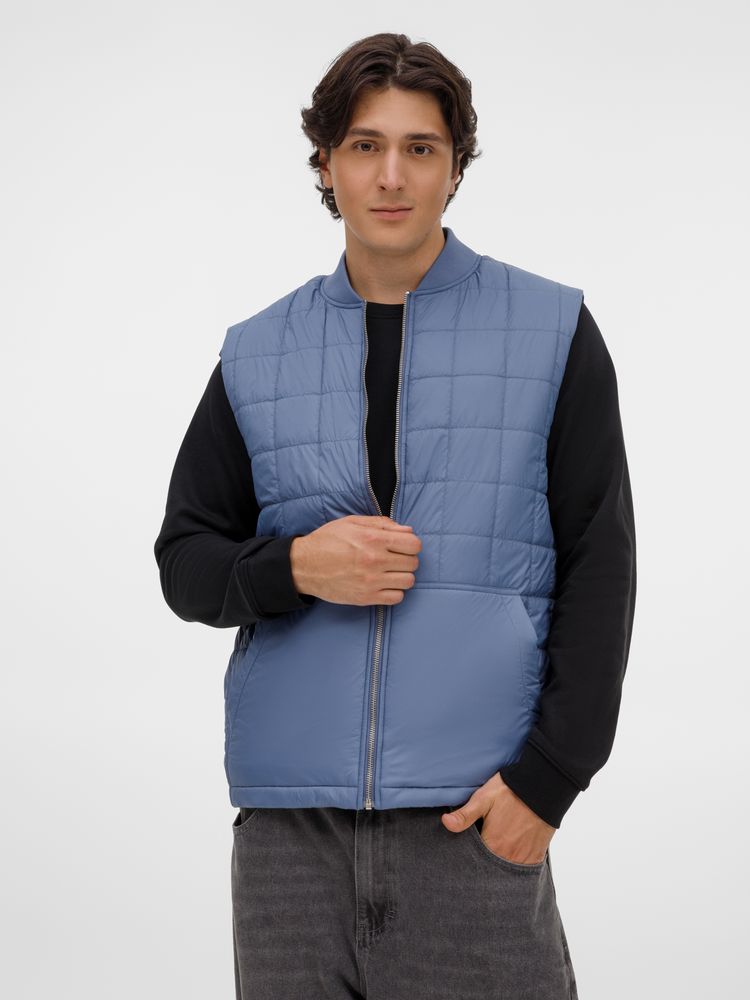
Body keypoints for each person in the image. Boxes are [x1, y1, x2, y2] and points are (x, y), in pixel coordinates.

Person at [154, 32, 636, 1000]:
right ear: (326, 163)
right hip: (291, 834)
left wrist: (547, 783)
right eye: (365, 146)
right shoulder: (257, 351)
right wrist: (294, 568)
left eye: (420, 148)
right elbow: (186, 562)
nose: (391, 175)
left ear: (455, 167)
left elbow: (602, 564)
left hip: (475, 817)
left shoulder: (551, 329)